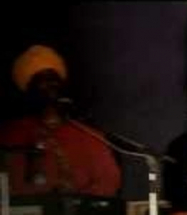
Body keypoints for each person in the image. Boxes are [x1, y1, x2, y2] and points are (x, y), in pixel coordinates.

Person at [0, 45, 121, 197]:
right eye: (41, 80)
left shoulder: (88, 134)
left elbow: (109, 180)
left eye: (53, 79)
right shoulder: (11, 134)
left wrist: (75, 203)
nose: (50, 85)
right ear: (29, 90)